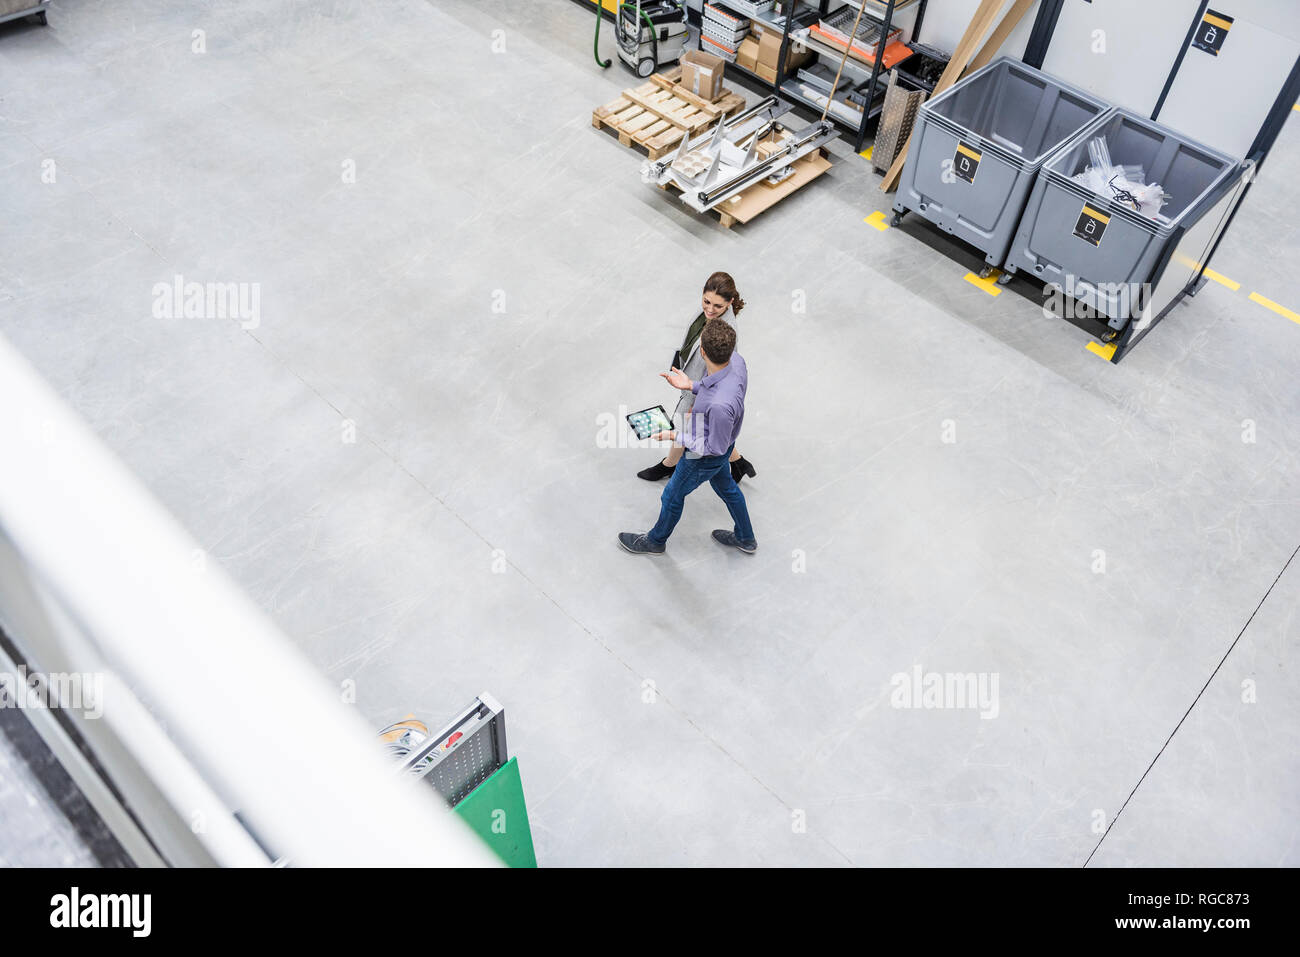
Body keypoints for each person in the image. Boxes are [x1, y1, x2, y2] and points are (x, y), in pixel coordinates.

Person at [619, 318, 757, 556]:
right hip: (722, 440)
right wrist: (691, 385)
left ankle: (655, 541)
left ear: (702, 352)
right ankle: (746, 538)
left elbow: (714, 447)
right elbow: (716, 385)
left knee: (672, 494)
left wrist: (676, 435)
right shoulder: (737, 361)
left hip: (704, 456)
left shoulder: (719, 407)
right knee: (727, 489)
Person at [637, 271, 756, 485]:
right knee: (704, 430)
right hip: (690, 380)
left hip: (700, 389)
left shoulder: (728, 332)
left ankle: (669, 465)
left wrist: (699, 399)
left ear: (729, 303)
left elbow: (722, 372)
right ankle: (739, 463)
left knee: (684, 426)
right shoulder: (706, 315)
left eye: (717, 306)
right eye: (706, 301)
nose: (710, 309)